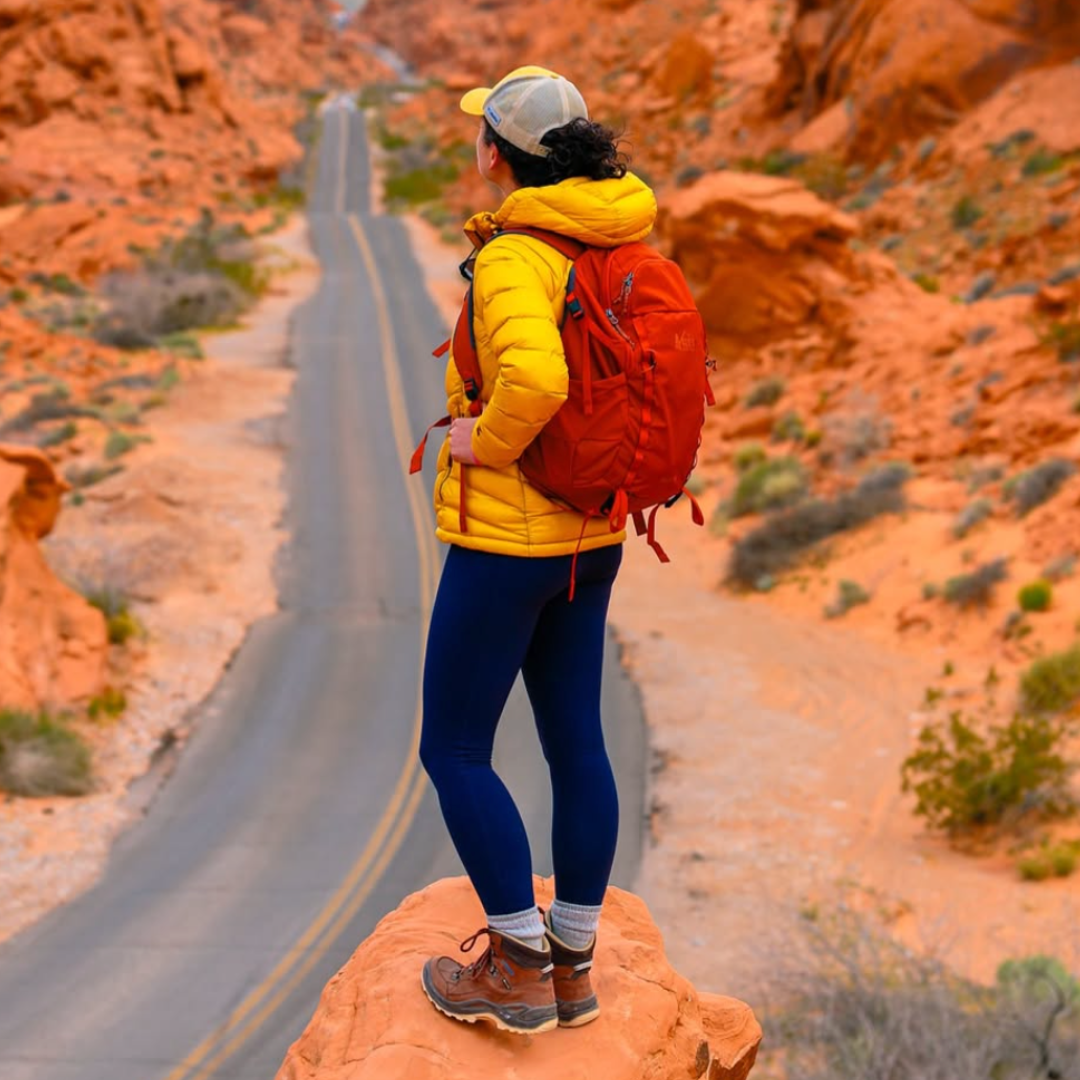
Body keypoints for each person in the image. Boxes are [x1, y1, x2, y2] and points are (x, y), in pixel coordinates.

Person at [418, 66, 657, 1036]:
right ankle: (574, 961)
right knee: (576, 740)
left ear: (500, 154)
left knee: (455, 747)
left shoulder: (520, 252)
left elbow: (538, 377)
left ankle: (517, 966)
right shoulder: (616, 234)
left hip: (513, 535)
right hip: (594, 532)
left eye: (482, 134)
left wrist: (485, 438)